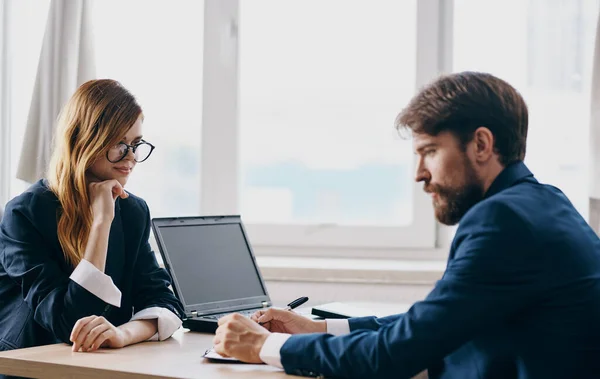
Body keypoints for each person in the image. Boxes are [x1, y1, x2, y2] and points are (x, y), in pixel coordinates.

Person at [212, 72, 600, 378]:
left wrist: (262, 347)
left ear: (481, 145)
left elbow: (393, 356)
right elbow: (433, 322)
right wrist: (318, 330)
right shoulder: (545, 201)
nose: (419, 175)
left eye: (429, 152)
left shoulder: (502, 221)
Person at [0, 79, 184, 356]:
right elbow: (68, 323)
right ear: (84, 141)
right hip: (33, 362)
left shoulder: (132, 210)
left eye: (136, 144)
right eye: (119, 144)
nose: (131, 157)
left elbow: (163, 300)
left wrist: (122, 334)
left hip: (101, 362)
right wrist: (101, 223)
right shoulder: (25, 214)